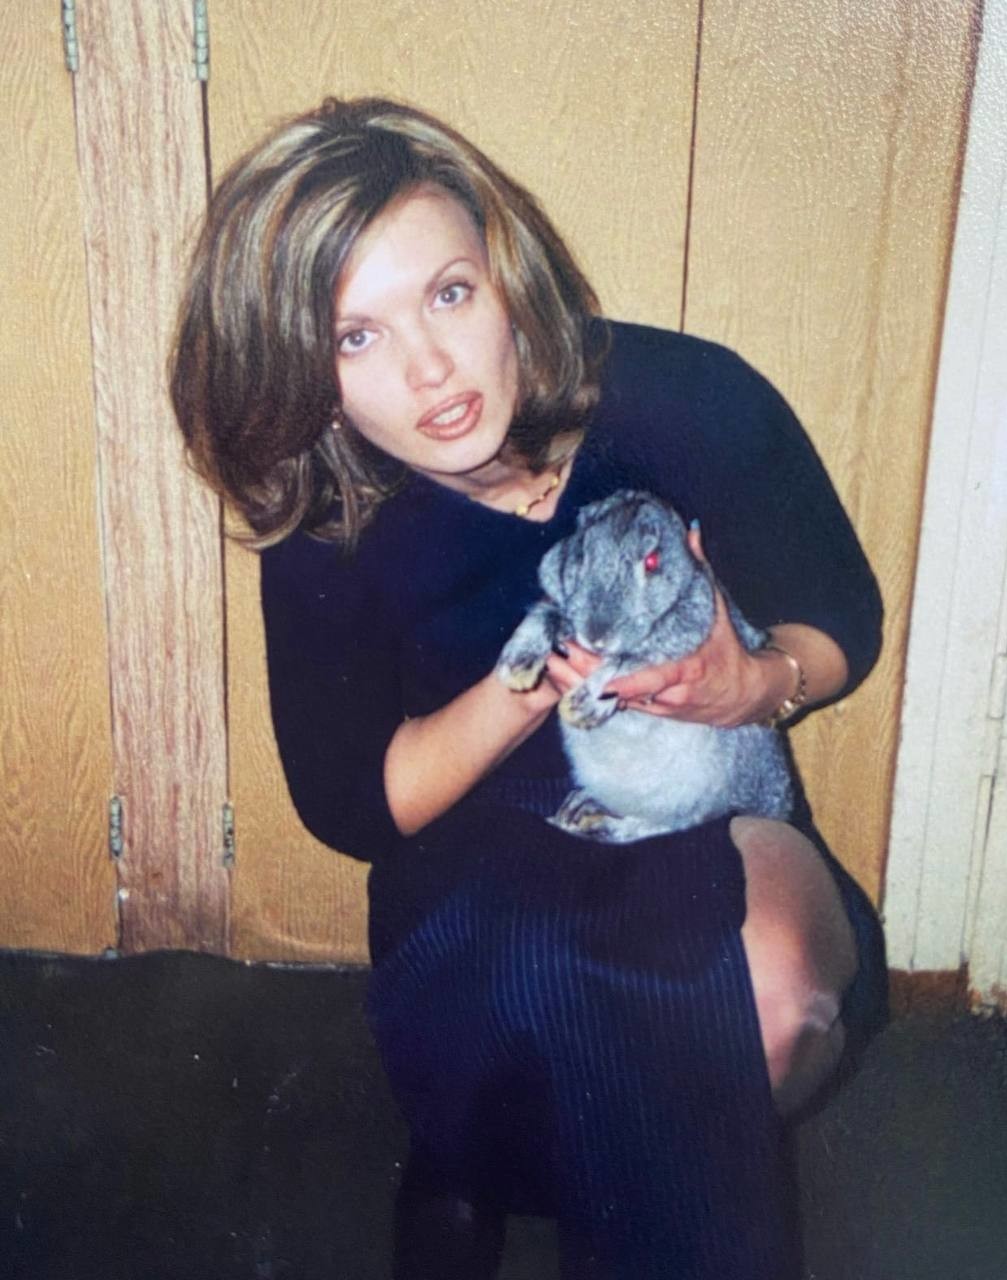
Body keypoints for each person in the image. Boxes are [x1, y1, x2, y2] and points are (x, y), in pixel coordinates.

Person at [171, 96, 887, 1280]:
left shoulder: (686, 396)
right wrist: (533, 680)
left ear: (505, 268)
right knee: (545, 1000)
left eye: (449, 294)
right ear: (306, 371)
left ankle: (509, 1154)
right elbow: (356, 801)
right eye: (356, 337)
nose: (429, 368)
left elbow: (839, 613)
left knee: (773, 1007)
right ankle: (477, 1151)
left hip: (699, 798)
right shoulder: (326, 510)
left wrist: (755, 680)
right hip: (484, 836)